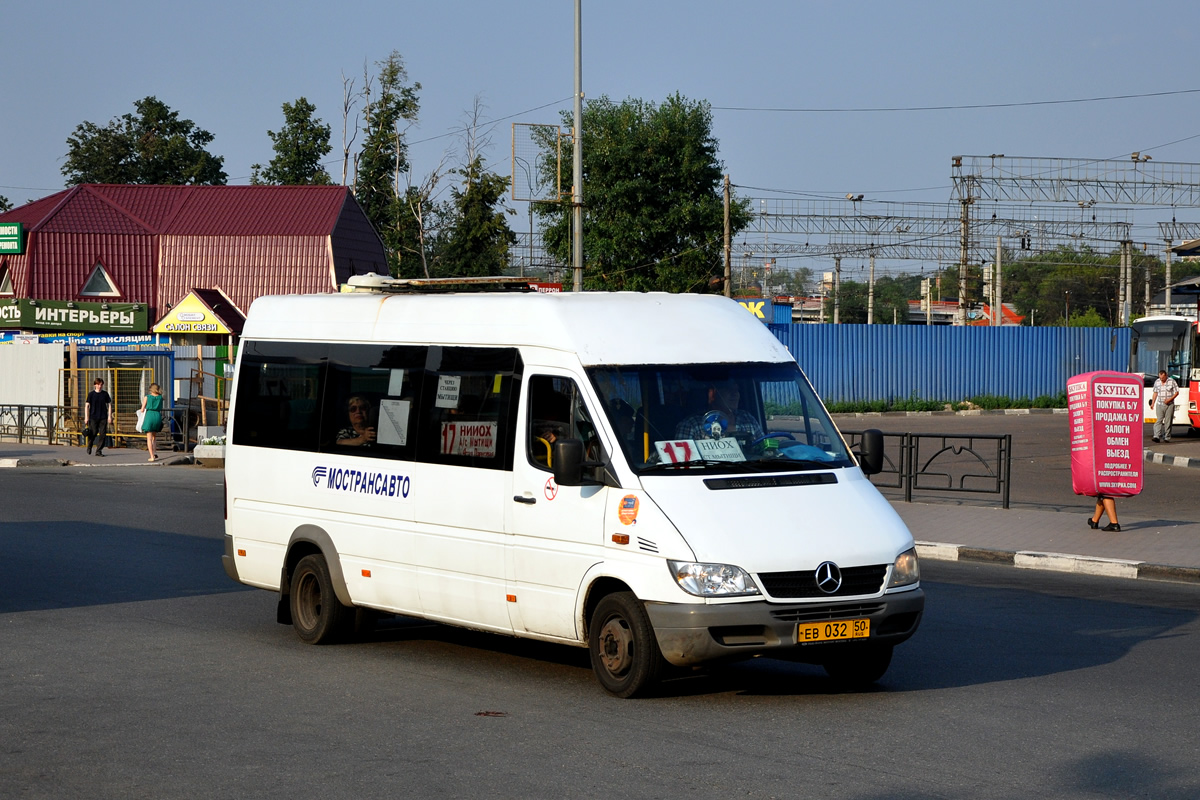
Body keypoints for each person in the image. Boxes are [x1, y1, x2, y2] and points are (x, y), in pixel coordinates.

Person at [675, 380, 764, 441]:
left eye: (736, 390)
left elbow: (766, 449)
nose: (735, 394)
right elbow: (681, 459)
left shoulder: (747, 419)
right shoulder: (692, 425)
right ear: (712, 394)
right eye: (728, 389)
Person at [84, 377, 113, 457]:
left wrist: (109, 416)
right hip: (93, 417)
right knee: (93, 433)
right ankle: (90, 445)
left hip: (103, 417)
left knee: (103, 434)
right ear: (95, 385)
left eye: (101, 385)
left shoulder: (105, 394)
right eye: (98, 384)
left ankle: (98, 451)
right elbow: (86, 406)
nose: (100, 386)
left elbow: (109, 405)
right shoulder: (91, 394)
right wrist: (86, 417)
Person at [1149, 369, 1179, 444]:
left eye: (1163, 378)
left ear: (1166, 376)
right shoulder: (1157, 382)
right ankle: (1156, 436)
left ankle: (1167, 437)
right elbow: (1155, 393)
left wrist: (1169, 399)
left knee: (1168, 421)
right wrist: (1152, 403)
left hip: (1169, 404)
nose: (1161, 379)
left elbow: (1177, 392)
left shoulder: (1171, 381)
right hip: (1160, 404)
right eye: (1160, 378)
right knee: (1159, 420)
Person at [140, 383, 165, 462]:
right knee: (154, 437)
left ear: (151, 389)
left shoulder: (147, 397)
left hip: (149, 415)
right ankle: (154, 452)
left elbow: (142, 409)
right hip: (157, 416)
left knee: (149, 438)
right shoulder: (160, 397)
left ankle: (151, 456)